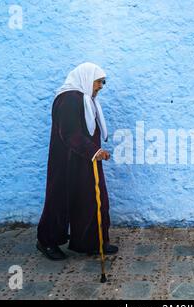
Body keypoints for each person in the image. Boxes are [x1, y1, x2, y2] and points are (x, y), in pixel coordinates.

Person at [36, 62, 118, 260]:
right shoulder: (69, 98)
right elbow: (70, 133)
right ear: (87, 78)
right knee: (59, 201)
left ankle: (90, 242)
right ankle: (46, 242)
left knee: (91, 199)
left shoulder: (85, 99)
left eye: (103, 82)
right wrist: (94, 150)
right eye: (99, 82)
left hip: (85, 159)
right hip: (66, 162)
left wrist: (93, 152)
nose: (100, 86)